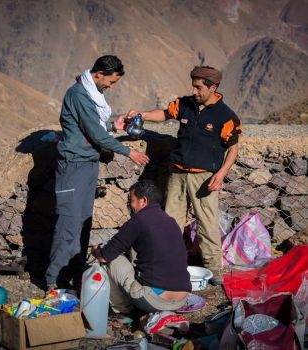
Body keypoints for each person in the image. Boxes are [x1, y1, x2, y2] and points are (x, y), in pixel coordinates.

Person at [128, 66, 241, 285]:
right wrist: (142, 115)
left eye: (199, 87)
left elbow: (233, 148)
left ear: (213, 88)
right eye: (193, 86)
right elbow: (165, 114)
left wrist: (221, 174)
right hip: (177, 173)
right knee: (170, 221)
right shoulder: (185, 104)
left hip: (204, 178)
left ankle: (214, 268)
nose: (195, 91)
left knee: (207, 222)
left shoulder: (226, 116)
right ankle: (168, 263)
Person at [45, 55, 149, 291]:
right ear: (98, 74)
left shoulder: (90, 95)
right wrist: (128, 151)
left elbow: (93, 126)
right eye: (111, 81)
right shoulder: (78, 95)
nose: (111, 87)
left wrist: (115, 126)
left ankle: (73, 274)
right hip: (74, 165)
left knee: (82, 222)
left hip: (87, 164)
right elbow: (96, 135)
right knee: (68, 224)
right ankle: (53, 280)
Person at [92, 180, 192, 313]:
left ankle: (123, 309)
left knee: (110, 261)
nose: (131, 205)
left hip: (155, 301)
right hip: (181, 300)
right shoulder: (171, 221)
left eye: (132, 200)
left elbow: (105, 256)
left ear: (143, 201)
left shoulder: (138, 220)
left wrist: (96, 252)